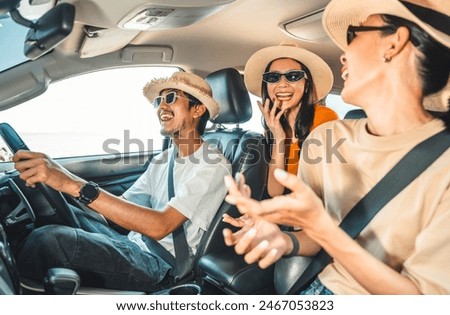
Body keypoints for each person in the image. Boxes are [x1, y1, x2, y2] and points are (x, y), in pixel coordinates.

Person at [223, 0, 450, 294]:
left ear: (394, 43)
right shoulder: (329, 136)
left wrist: (322, 230)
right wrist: (286, 240)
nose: (343, 55)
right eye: (274, 78)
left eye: (353, 35)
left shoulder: (441, 166)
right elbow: (315, 229)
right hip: (314, 286)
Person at [13, 71, 231, 292]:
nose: (161, 107)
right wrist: (59, 178)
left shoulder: (212, 166)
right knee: (55, 215)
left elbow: (160, 225)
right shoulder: (163, 159)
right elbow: (119, 208)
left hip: (161, 264)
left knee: (50, 240)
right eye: (159, 100)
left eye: (171, 98)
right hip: (132, 243)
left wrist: (70, 183)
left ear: (197, 109)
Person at [244, 43, 338, 197]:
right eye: (273, 77)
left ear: (306, 84)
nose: (282, 84)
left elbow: (321, 187)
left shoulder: (325, 118)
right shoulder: (272, 126)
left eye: (293, 76)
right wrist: (279, 138)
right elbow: (275, 191)